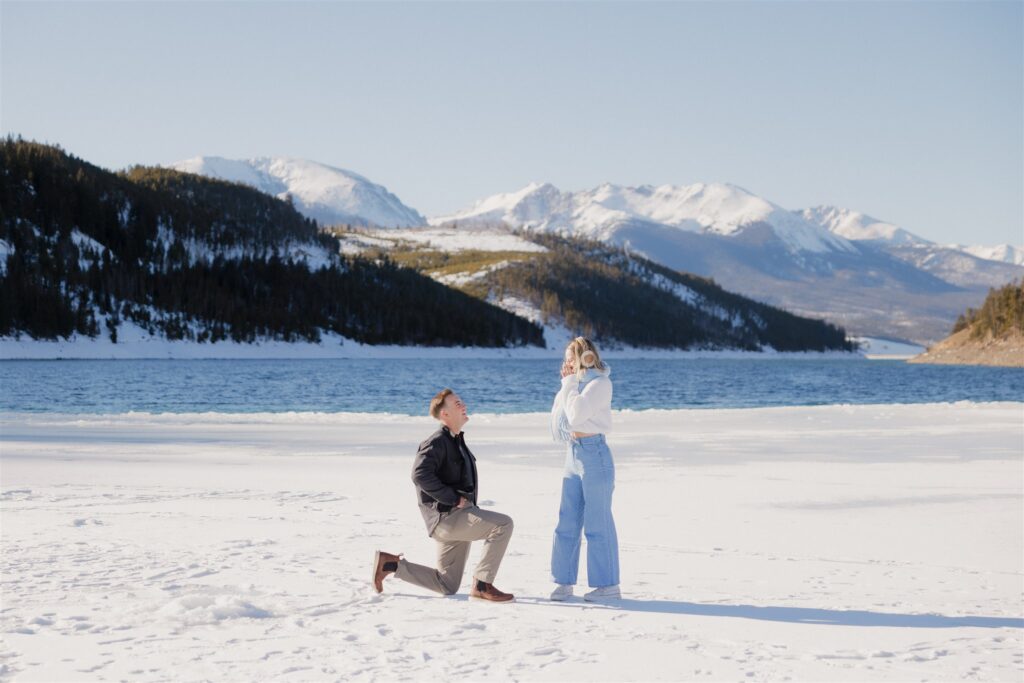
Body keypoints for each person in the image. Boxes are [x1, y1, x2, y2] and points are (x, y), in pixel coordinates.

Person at [372, 388, 515, 603]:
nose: (463, 405)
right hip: (448, 517)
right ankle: (482, 584)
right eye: (457, 403)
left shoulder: (456, 440)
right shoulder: (437, 441)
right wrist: (454, 499)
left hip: (455, 518)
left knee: (446, 585)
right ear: (444, 414)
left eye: (461, 401)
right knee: (503, 525)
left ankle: (390, 564)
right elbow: (419, 475)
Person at [549, 337, 620, 602]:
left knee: (597, 521)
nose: (566, 364)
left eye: (571, 358)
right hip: (573, 452)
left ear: (584, 357)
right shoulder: (576, 384)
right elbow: (561, 414)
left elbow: (576, 415)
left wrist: (569, 384)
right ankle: (564, 581)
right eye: (565, 358)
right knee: (566, 519)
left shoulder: (600, 383)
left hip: (595, 454)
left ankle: (608, 585)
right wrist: (568, 384)